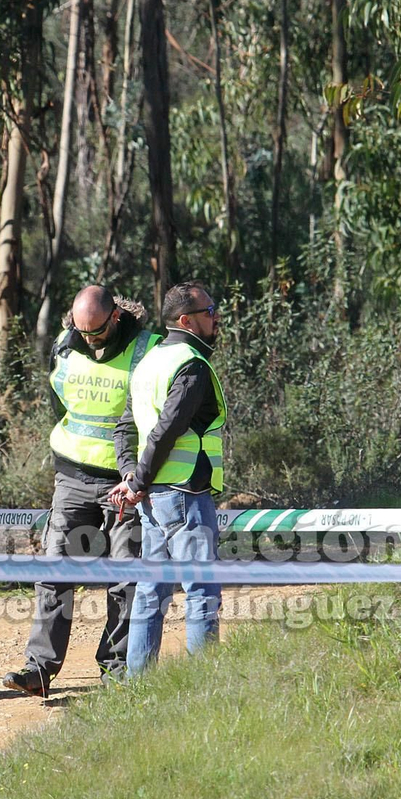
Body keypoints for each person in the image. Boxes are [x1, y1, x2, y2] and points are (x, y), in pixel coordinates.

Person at [3, 286, 160, 698]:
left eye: (96, 332)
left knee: (125, 577)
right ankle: (39, 669)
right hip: (71, 477)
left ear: (115, 318)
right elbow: (61, 403)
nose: (88, 339)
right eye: (81, 330)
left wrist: (138, 474)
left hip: (123, 482)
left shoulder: (149, 349)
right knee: (56, 572)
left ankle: (117, 669)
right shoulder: (65, 344)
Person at [110, 281, 226, 674]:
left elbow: (124, 428)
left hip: (154, 498)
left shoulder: (150, 362)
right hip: (184, 495)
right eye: (209, 312)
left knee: (151, 593)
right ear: (185, 321)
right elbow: (166, 430)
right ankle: (201, 687)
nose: (216, 317)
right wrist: (137, 482)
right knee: (202, 592)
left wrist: (131, 477)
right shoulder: (189, 364)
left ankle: (137, 685)